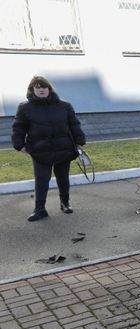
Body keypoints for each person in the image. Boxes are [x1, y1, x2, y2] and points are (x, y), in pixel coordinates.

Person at [12, 76, 86, 222]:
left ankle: (65, 203)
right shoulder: (25, 107)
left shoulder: (64, 106)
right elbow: (18, 128)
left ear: (49, 89)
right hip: (40, 151)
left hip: (63, 148)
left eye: (44, 86)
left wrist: (79, 142)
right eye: (37, 87)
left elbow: (74, 125)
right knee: (41, 179)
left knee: (63, 178)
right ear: (32, 90)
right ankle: (40, 209)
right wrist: (19, 145)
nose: (41, 89)